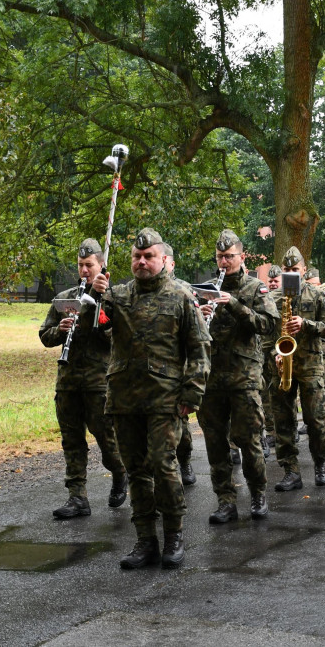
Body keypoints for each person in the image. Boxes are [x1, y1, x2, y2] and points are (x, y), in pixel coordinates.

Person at [94, 228, 211, 570]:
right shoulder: (118, 296)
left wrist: (193, 392)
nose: (142, 262)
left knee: (163, 465)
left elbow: (200, 348)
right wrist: (95, 293)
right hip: (124, 398)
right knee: (136, 470)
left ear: (163, 260)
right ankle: (145, 538)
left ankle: (174, 534)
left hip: (165, 397)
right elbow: (97, 329)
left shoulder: (181, 296)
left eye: (148, 257)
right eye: (136, 257)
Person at [38, 239, 128, 519]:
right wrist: (60, 331)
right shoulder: (66, 297)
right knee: (71, 440)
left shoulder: (111, 299)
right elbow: (44, 334)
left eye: (89, 265)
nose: (84, 270)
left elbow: (116, 337)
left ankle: (120, 472)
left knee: (106, 439)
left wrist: (100, 303)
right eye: (80, 265)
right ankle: (77, 498)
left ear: (102, 265)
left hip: (98, 382)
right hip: (67, 382)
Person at [197, 230, 279, 524]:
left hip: (243, 378)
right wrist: (200, 312)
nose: (224, 261)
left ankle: (258, 494)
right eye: (220, 257)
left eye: (229, 256)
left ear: (241, 257)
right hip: (211, 377)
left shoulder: (256, 288)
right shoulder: (204, 289)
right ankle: (225, 500)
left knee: (248, 439)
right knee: (215, 443)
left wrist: (232, 303)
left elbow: (268, 324)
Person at [269, 246, 325, 491]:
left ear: (304, 270)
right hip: (282, 366)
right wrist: (274, 354)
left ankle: (320, 464)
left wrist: (306, 324)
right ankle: (291, 471)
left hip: (311, 365)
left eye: (295, 270)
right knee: (283, 421)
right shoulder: (274, 298)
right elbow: (266, 335)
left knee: (315, 419)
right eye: (286, 270)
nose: (291, 274)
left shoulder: (317, 295)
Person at [163, 243, 198, 485]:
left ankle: (184, 460)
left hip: (180, 367)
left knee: (182, 428)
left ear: (171, 263)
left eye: (163, 259)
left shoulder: (185, 289)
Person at [259, 265, 283, 454]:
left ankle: (283, 430)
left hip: (279, 351)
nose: (273, 284)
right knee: (264, 394)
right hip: (263, 351)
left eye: (277, 281)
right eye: (271, 281)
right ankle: (270, 431)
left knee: (280, 393)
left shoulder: (286, 298)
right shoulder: (263, 297)